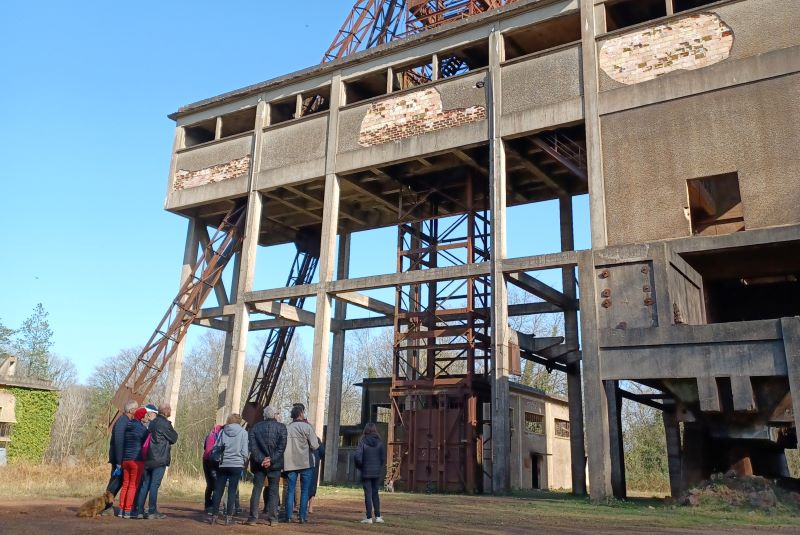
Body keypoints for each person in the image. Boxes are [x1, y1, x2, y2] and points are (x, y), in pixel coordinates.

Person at [245, 406, 287, 526]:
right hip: (275, 465)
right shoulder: (282, 427)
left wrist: (261, 459)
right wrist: (271, 460)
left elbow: (252, 447)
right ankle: (273, 519)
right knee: (274, 491)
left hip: (259, 465)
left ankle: (253, 518)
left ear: (264, 415)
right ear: (274, 415)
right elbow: (281, 447)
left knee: (257, 489)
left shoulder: (255, 427)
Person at [135, 403, 177, 520]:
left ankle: (139, 511)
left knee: (145, 484)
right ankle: (152, 511)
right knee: (154, 485)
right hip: (159, 458)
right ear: (166, 411)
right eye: (170, 409)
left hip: (148, 458)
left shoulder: (152, 423)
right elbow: (174, 438)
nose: (170, 411)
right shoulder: (164, 424)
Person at [209, 413, 249, 526]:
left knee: (219, 490)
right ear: (239, 422)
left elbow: (217, 447)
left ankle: (214, 516)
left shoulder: (223, 431)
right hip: (236, 465)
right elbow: (245, 451)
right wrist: (243, 460)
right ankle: (228, 518)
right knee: (232, 491)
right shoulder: (243, 433)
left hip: (223, 464)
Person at [283, 405, 319, 524]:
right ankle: (302, 517)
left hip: (290, 463)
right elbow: (315, 445)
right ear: (301, 414)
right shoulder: (307, 427)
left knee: (291, 490)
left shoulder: (287, 428)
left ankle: (288, 516)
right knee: (304, 491)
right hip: (305, 463)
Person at [104, 399, 138, 515]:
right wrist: (119, 462)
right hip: (119, 459)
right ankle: (106, 506)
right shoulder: (123, 421)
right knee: (115, 482)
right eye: (136, 409)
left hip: (121, 458)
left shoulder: (125, 421)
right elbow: (118, 442)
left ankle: (107, 506)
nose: (137, 412)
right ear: (132, 410)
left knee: (117, 482)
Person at [118, 407, 148, 518]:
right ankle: (128, 510)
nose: (147, 417)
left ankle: (121, 510)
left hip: (125, 460)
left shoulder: (128, 425)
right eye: (145, 415)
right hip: (137, 460)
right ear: (142, 416)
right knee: (133, 485)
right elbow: (146, 443)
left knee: (125, 484)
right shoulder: (142, 429)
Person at [354, 422, 386, 524]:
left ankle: (368, 517)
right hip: (376, 472)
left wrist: (361, 467)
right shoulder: (380, 442)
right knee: (375, 494)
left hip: (366, 472)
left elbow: (357, 457)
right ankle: (378, 516)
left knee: (368, 494)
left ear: (366, 430)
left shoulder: (362, 442)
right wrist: (378, 468)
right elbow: (382, 458)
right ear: (375, 430)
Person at [202, 424, 223, 514]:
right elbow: (208, 450)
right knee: (212, 484)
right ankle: (210, 506)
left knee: (213, 484)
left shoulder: (215, 435)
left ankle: (211, 505)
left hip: (212, 460)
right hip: (209, 461)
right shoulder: (212, 436)